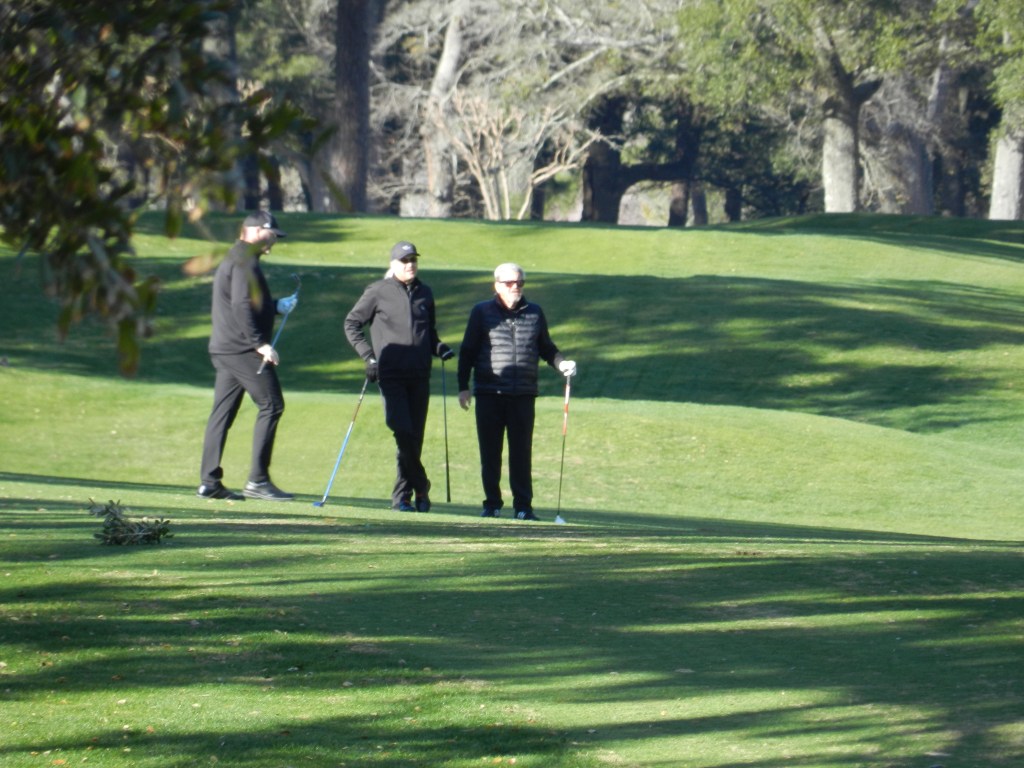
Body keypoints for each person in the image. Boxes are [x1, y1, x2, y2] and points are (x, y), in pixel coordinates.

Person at [457, 262, 576, 520]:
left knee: (521, 453)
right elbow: (467, 351)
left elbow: (546, 347)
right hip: (489, 392)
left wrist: (562, 364)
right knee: (490, 453)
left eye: (520, 283)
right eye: (510, 283)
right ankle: (492, 504)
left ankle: (523, 507)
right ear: (497, 285)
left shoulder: (534, 313)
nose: (516, 287)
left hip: (523, 393)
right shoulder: (481, 312)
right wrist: (463, 387)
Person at [196, 210, 299, 502]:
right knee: (272, 405)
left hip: (225, 347)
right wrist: (260, 344)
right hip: (242, 349)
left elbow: (248, 302)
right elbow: (241, 304)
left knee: (222, 414)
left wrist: (275, 306)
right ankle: (258, 480)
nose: (273, 241)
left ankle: (209, 482)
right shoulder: (244, 260)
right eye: (271, 235)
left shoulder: (239, 256)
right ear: (254, 231)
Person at [344, 241, 454, 512]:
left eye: (413, 259)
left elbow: (429, 333)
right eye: (404, 260)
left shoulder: (425, 293)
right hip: (390, 374)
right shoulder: (378, 291)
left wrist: (439, 347)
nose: (410, 264)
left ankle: (402, 498)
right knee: (402, 431)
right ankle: (421, 484)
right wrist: (369, 357)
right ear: (393, 264)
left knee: (414, 437)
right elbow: (352, 323)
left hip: (420, 375)